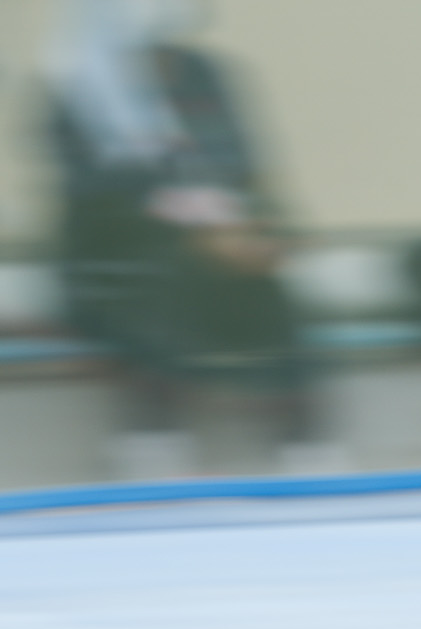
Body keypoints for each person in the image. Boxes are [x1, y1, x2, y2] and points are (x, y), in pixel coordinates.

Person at [42, 0, 310, 475]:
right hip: (111, 251)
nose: (161, 64)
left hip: (214, 238)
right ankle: (153, 431)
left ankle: (301, 437)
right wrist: (198, 224)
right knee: (161, 281)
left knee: (269, 281)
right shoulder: (76, 95)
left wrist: (260, 226)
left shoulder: (204, 75)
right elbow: (97, 191)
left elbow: (240, 162)